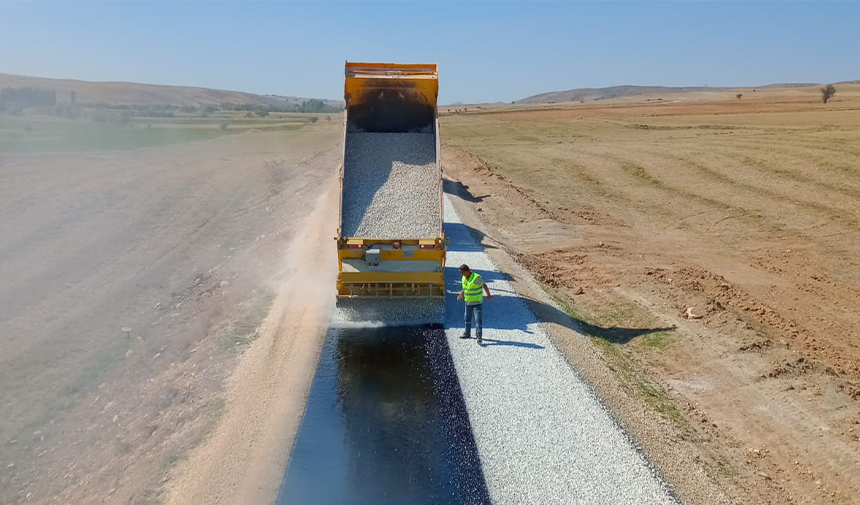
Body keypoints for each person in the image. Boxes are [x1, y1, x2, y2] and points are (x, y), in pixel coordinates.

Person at [457, 264, 492, 344]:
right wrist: (461, 295)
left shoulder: (476, 277)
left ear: (467, 271)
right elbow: (465, 288)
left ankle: (479, 336)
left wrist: (488, 295)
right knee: (467, 318)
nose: (461, 274)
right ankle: (467, 333)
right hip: (468, 302)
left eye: (462, 272)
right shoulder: (464, 278)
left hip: (477, 303)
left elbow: (484, 285)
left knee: (478, 320)